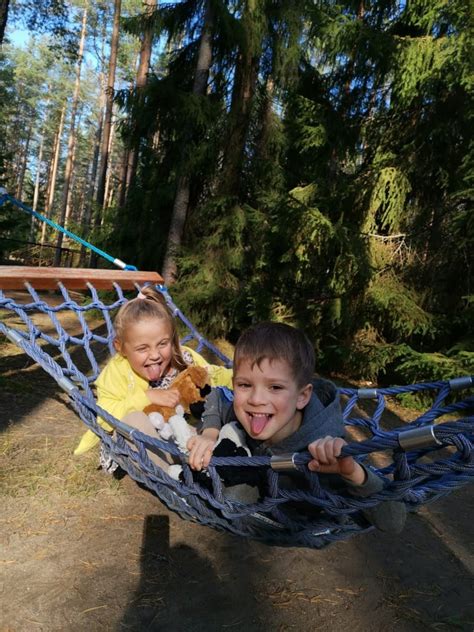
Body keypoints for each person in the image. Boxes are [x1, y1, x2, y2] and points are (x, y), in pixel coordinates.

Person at [187, 321, 406, 533]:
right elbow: (216, 396)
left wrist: (353, 473)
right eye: (245, 385)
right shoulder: (248, 412)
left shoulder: (324, 447)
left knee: (234, 503)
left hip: (302, 513)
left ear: (302, 397)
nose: (256, 399)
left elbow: (394, 520)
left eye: (275, 387)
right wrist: (210, 433)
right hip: (261, 491)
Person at [73, 286, 233, 471]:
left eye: (162, 344)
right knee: (134, 420)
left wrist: (245, 376)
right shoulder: (115, 373)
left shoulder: (183, 357)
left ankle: (209, 469)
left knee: (228, 411)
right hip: (146, 443)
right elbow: (103, 416)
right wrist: (147, 397)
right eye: (143, 348)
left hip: (186, 438)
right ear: (121, 347)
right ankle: (175, 479)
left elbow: (215, 375)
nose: (155, 355)